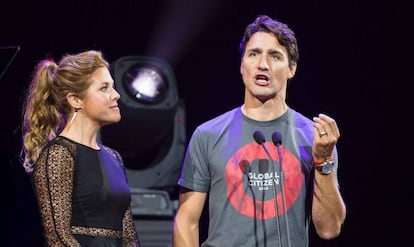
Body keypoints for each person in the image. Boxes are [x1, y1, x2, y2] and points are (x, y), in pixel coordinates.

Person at [173, 15, 346, 247]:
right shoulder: (207, 135)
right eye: (253, 54)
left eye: (275, 56)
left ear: (292, 69)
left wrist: (323, 160)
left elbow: (329, 229)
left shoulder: (314, 138)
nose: (262, 64)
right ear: (242, 66)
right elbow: (186, 221)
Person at [20, 50, 140, 246]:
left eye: (113, 87)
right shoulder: (59, 154)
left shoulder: (114, 157)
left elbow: (128, 233)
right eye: (104, 88)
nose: (116, 95)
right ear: (75, 100)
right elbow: (58, 237)